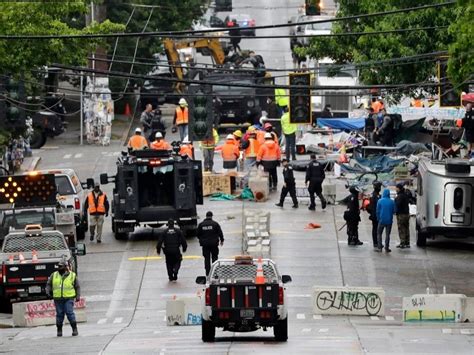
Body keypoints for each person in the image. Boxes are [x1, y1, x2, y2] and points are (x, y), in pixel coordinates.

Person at [46, 259, 80, 337]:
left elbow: (77, 286)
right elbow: (49, 284)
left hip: (69, 298)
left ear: (65, 267)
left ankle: (74, 329)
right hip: (58, 299)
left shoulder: (72, 275)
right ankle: (59, 330)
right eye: (58, 266)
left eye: (61, 266)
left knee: (69, 313)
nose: (59, 268)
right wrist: (48, 292)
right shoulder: (54, 275)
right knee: (59, 314)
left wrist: (78, 296)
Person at [197, 211, 224, 276]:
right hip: (214, 244)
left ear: (206, 216)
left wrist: (202, 239)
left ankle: (207, 273)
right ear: (211, 216)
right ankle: (214, 272)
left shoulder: (201, 224)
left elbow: (197, 234)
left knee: (206, 258)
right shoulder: (215, 224)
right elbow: (220, 233)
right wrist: (222, 240)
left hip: (205, 245)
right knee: (214, 257)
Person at [376, 188, 395, 253]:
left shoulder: (380, 201)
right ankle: (387, 248)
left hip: (381, 220)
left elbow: (377, 211)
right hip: (389, 220)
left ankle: (379, 247)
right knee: (387, 235)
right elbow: (395, 210)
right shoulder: (392, 201)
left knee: (379, 233)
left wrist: (378, 218)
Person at [395, 183, 410, 248]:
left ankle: (402, 242)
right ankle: (407, 242)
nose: (395, 189)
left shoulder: (399, 196)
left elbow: (397, 205)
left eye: (396, 188)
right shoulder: (405, 194)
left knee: (401, 228)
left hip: (401, 214)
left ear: (399, 188)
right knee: (406, 228)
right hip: (407, 214)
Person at [368, 181, 382, 249]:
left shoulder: (377, 195)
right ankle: (376, 242)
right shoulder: (375, 195)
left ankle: (377, 242)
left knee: (377, 229)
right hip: (375, 215)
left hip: (376, 214)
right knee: (375, 229)